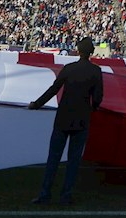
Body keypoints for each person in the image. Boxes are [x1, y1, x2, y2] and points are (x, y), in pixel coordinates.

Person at [28, 38, 105, 206]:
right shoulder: (95, 71)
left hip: (63, 118)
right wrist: (94, 107)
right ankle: (66, 195)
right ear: (91, 53)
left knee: (53, 158)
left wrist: (37, 104)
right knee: (73, 161)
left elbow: (53, 90)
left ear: (78, 51)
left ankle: (45, 194)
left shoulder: (69, 69)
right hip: (82, 119)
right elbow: (98, 97)